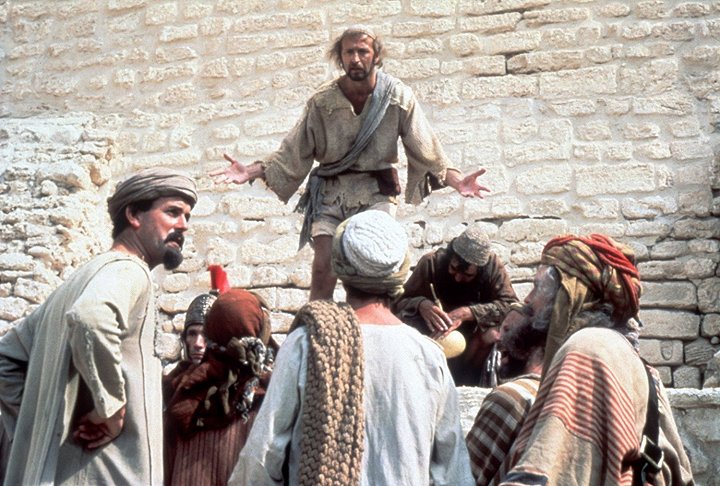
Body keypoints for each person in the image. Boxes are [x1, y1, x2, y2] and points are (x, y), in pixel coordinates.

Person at [211, 26, 490, 300]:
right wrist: (250, 171)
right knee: (323, 269)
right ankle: (318, 323)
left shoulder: (397, 97)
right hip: (331, 193)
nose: (355, 58)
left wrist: (457, 181)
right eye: (349, 52)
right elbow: (294, 150)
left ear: (376, 55)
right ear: (340, 57)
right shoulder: (322, 101)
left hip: (376, 192)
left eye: (362, 51)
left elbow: (426, 148)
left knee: (374, 265)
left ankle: (372, 322)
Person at [229, 210, 474, 485]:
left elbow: (261, 459)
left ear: (340, 266)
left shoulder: (306, 344)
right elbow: (453, 471)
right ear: (400, 273)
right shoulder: (428, 356)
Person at [0, 167, 197, 485]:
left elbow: (6, 358)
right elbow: (91, 317)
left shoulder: (76, 282)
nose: (183, 225)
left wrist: (51, 429)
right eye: (172, 212)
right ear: (133, 215)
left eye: (187, 216)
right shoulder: (129, 269)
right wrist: (110, 410)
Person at [498, 234, 694, 486]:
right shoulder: (629, 359)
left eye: (537, 287)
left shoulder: (586, 350)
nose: (528, 299)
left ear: (567, 294)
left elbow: (548, 467)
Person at [164, 287, 276, 486]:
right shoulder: (272, 399)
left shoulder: (185, 394)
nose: (197, 344)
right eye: (191, 334)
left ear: (211, 334)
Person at [395, 225, 518, 386]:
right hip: (433, 335)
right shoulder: (431, 263)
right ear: (450, 257)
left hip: (473, 340)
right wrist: (420, 304)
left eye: (467, 275)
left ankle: (470, 383)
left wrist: (468, 313)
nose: (458, 278)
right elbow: (398, 302)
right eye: (453, 269)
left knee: (493, 334)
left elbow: (510, 305)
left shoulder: (492, 267)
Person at [465, 303, 546, 486]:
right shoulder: (554, 395)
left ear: (533, 345)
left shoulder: (511, 397)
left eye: (511, 332)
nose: (501, 339)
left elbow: (464, 477)